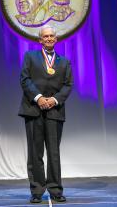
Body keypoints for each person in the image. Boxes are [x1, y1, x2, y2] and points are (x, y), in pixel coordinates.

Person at [18, 25, 73, 203]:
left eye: (52, 36)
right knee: (35, 153)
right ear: (40, 40)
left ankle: (56, 190)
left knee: (54, 152)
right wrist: (39, 97)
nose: (49, 38)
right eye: (45, 36)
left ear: (56, 39)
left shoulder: (64, 62)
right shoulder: (30, 57)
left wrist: (54, 100)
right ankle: (37, 191)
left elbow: (68, 85)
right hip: (34, 110)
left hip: (54, 111)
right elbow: (24, 79)